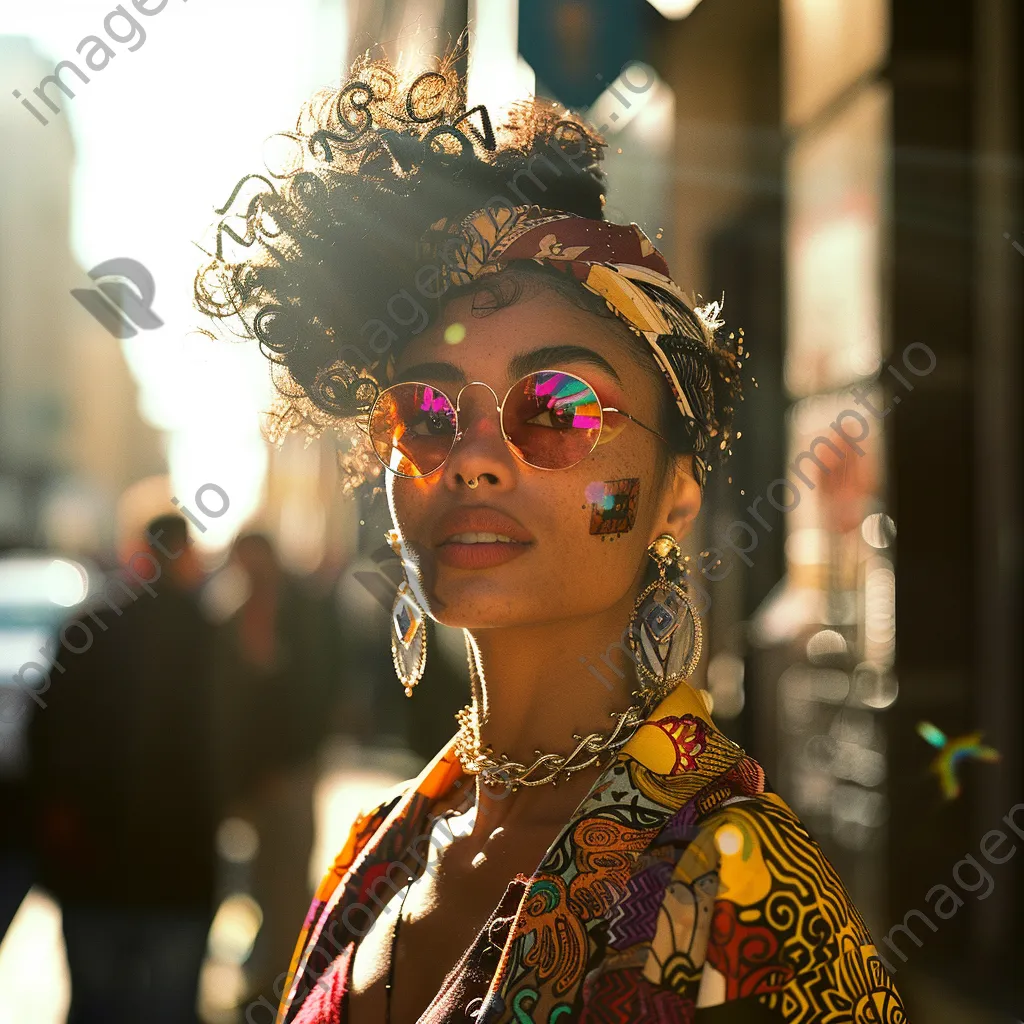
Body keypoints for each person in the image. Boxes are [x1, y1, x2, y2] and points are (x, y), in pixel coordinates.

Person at [195, 51, 909, 1024]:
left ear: (673, 498)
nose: (474, 460)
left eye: (562, 406)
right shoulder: (380, 847)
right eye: (428, 414)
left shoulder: (739, 889)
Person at [30, 514, 217, 1024]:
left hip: (94, 864)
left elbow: (43, 733)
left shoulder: (88, 628)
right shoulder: (206, 636)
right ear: (184, 555)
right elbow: (235, 741)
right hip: (178, 865)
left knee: (95, 1005)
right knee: (169, 1008)